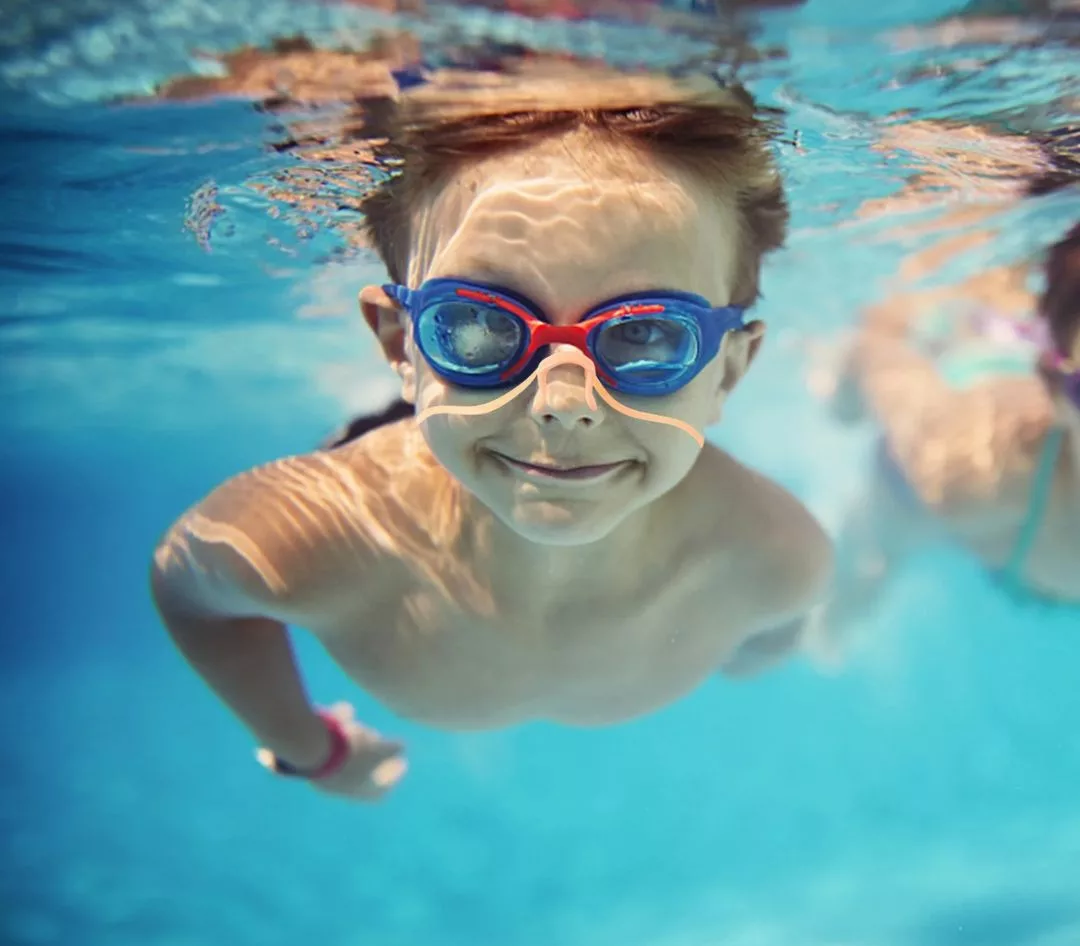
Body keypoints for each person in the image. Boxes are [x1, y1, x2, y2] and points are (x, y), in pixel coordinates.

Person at [150, 68, 832, 801]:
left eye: (646, 336)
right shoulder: (309, 539)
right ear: (398, 346)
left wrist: (752, 644)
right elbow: (188, 591)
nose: (563, 404)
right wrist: (307, 749)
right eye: (476, 324)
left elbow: (772, 635)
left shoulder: (774, 560)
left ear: (729, 371)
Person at [811, 213, 1080, 657]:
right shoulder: (969, 471)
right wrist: (846, 396)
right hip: (921, 469)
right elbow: (881, 342)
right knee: (857, 584)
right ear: (1056, 392)